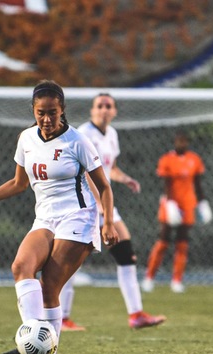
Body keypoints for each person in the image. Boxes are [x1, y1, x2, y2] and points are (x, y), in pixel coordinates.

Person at [0, 80, 118, 354]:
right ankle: (33, 334)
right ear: (33, 111)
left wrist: (107, 223)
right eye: (41, 112)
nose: (47, 119)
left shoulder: (77, 141)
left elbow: (103, 186)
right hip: (45, 219)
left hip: (78, 217)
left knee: (50, 285)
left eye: (53, 112)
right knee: (21, 266)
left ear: (62, 110)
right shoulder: (26, 138)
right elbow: (18, 183)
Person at [59, 93, 166, 331]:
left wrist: (125, 179)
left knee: (126, 256)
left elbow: (110, 169)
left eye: (109, 106)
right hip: (84, 205)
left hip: (105, 205)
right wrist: (98, 205)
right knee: (71, 263)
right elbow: (85, 172)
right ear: (92, 110)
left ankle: (136, 314)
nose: (104, 109)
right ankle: (62, 317)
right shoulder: (84, 133)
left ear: (115, 111)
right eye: (100, 105)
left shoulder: (112, 135)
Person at [141, 132, 211, 294]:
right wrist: (170, 203)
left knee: (182, 242)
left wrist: (202, 203)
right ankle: (149, 278)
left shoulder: (194, 159)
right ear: (174, 142)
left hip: (188, 204)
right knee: (164, 240)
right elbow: (166, 184)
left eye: (184, 141)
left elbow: (198, 183)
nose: (182, 144)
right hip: (171, 203)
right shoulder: (167, 160)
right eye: (179, 141)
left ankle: (177, 280)